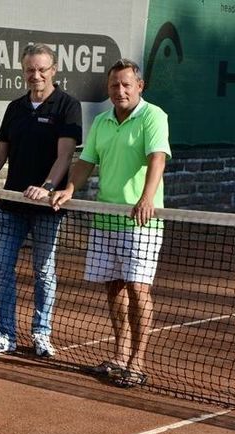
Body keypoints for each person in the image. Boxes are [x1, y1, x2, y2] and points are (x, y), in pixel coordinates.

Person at [51, 58, 170, 388]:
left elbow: (157, 158)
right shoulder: (102, 121)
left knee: (138, 288)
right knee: (114, 287)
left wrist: (147, 198)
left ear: (139, 86)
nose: (120, 90)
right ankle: (120, 354)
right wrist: (70, 188)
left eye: (126, 84)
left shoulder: (153, 116)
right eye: (114, 85)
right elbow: (86, 162)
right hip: (106, 219)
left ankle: (138, 360)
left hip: (140, 221)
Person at [0, 44, 82, 358]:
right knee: (1, 268)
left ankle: (42, 333)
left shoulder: (68, 106)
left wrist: (46, 187)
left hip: (46, 208)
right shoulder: (15, 108)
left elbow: (65, 156)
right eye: (30, 69)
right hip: (12, 205)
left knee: (44, 272)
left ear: (54, 70)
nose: (36, 75)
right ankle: (5, 333)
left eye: (42, 69)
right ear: (23, 71)